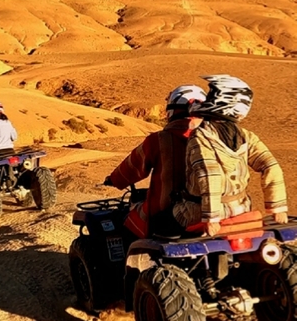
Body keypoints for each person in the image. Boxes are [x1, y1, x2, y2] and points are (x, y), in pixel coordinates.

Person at [173, 74, 288, 237]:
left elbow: (209, 174)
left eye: (212, 95)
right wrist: (278, 208)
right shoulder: (246, 136)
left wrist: (211, 218)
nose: (206, 99)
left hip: (198, 213)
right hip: (242, 209)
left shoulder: (201, 136)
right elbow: (270, 166)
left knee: (164, 220)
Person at [104, 85, 207, 239]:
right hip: (215, 211)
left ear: (172, 110)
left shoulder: (159, 140)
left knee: (129, 223)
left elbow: (133, 166)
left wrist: (114, 179)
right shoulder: (215, 140)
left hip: (167, 211)